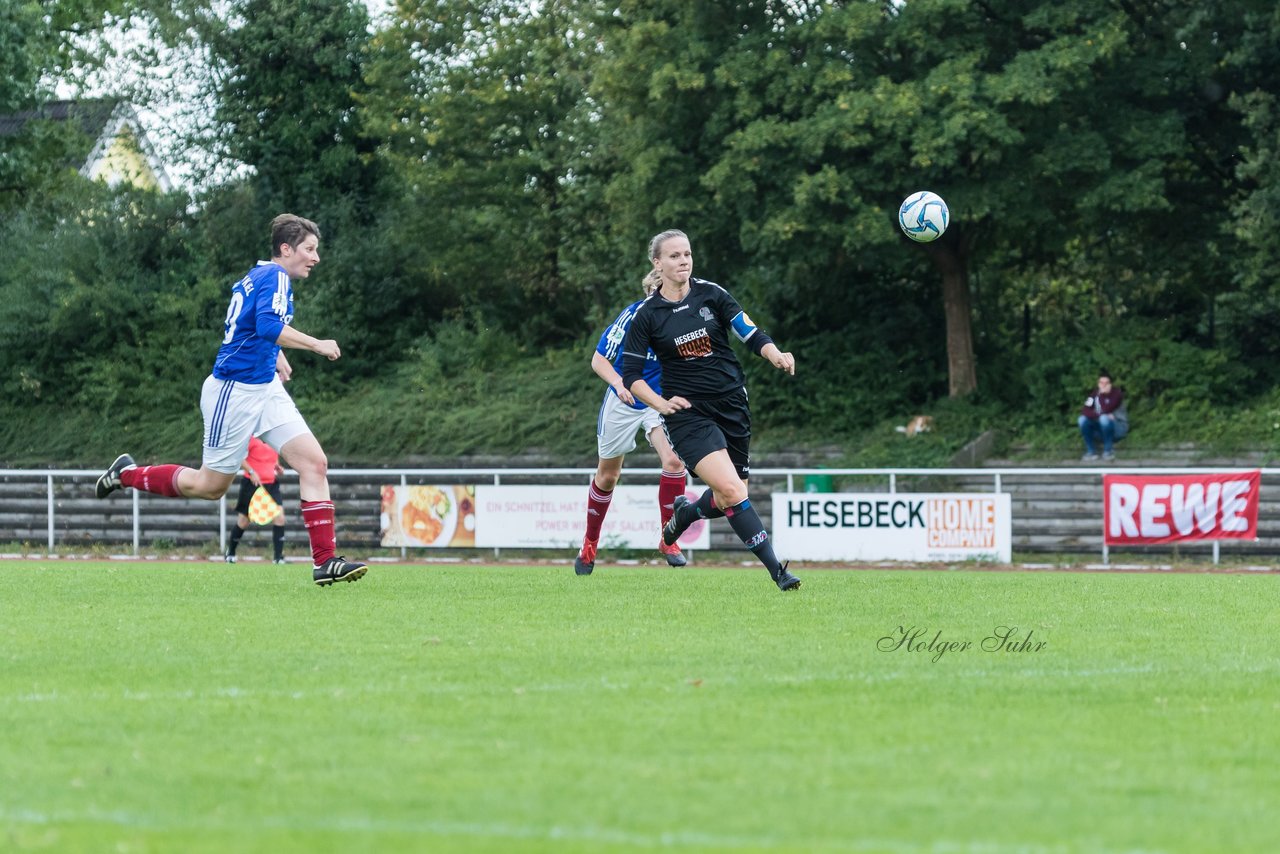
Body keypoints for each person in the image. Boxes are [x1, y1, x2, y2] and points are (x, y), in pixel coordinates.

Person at [95, 214, 367, 587]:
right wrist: (316, 344)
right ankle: (126, 474)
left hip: (264, 385)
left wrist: (274, 354)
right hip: (234, 391)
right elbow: (269, 326)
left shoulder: (262, 276)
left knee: (314, 463)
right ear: (285, 249)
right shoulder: (275, 276)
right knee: (210, 487)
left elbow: (254, 328)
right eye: (309, 249)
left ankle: (325, 563)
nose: (315, 257)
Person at [619, 229, 801, 592]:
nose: (683, 260)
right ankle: (778, 571)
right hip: (688, 415)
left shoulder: (712, 294)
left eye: (686, 254)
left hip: (733, 404)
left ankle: (687, 512)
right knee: (734, 492)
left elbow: (750, 333)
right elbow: (632, 378)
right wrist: (659, 404)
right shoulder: (647, 316)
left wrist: (775, 353)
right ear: (657, 263)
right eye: (673, 256)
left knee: (727, 496)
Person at [574, 286, 689, 575]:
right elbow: (599, 360)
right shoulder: (632, 315)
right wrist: (618, 383)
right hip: (623, 400)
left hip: (658, 401)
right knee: (608, 476)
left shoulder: (683, 319)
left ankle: (668, 538)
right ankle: (590, 543)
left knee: (675, 461)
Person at [225, 435, 288, 564]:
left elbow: (271, 460)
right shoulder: (249, 438)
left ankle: (278, 558)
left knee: (280, 517)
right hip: (251, 485)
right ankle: (230, 553)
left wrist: (277, 467)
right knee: (243, 521)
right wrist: (252, 472)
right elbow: (239, 457)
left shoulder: (273, 438)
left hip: (271, 484)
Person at [1078, 371, 1127, 461]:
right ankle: (1090, 452)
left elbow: (1107, 409)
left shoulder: (1117, 394)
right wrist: (1096, 414)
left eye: (1106, 383)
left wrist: (1101, 397)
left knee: (1104, 418)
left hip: (1118, 428)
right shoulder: (1094, 394)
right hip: (1101, 428)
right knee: (1082, 420)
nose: (1103, 385)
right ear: (1098, 384)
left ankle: (1108, 451)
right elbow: (1084, 411)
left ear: (1110, 384)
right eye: (1101, 383)